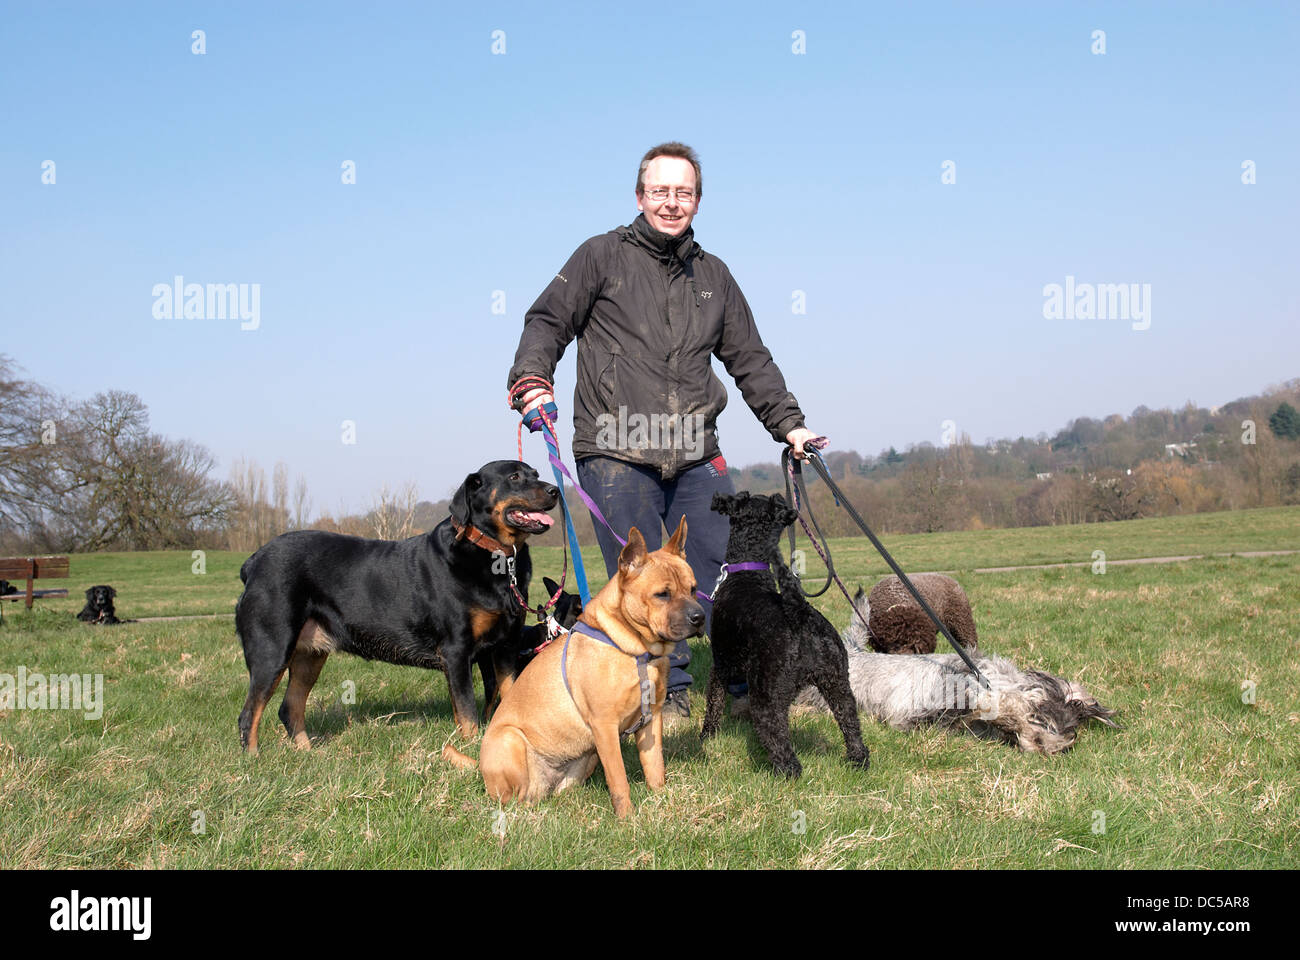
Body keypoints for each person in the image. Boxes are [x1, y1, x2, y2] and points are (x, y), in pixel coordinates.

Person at [507, 141, 822, 724]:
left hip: (695, 451)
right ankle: (669, 693)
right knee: (648, 582)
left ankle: (745, 679)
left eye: (683, 192)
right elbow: (547, 319)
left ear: (698, 200)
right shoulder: (599, 257)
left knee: (731, 570)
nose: (671, 203)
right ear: (640, 196)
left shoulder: (715, 276)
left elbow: (749, 357)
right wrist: (532, 377)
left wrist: (790, 425)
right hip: (615, 449)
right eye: (660, 191)